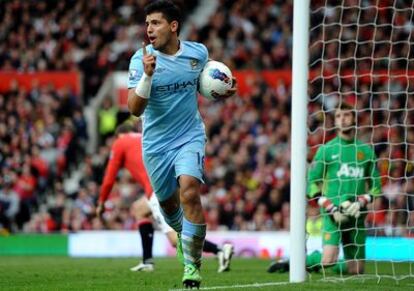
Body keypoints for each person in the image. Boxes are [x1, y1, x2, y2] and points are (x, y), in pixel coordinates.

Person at [127, 0, 236, 288]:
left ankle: (193, 266)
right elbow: (134, 109)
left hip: (189, 135)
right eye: (147, 23)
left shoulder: (198, 53)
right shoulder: (141, 60)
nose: (149, 28)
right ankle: (184, 243)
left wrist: (222, 91)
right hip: (156, 145)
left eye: (156, 22)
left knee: (189, 190)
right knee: (167, 204)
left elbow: (206, 83)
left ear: (173, 26)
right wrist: (148, 76)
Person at [96, 122, 234, 273]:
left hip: (158, 189)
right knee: (139, 209)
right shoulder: (144, 138)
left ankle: (219, 250)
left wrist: (101, 202)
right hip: (172, 181)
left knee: (175, 239)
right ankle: (147, 261)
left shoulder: (120, 142)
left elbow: (109, 178)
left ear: (119, 135)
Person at [268, 102, 381, 275]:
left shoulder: (366, 151)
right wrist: (329, 206)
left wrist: (360, 202)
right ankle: (300, 261)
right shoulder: (327, 150)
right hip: (332, 213)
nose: (342, 120)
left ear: (354, 119)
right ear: (334, 121)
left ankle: (308, 264)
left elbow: (376, 188)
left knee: (357, 270)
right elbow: (312, 182)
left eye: (346, 115)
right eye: (338, 116)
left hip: (356, 214)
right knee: (328, 260)